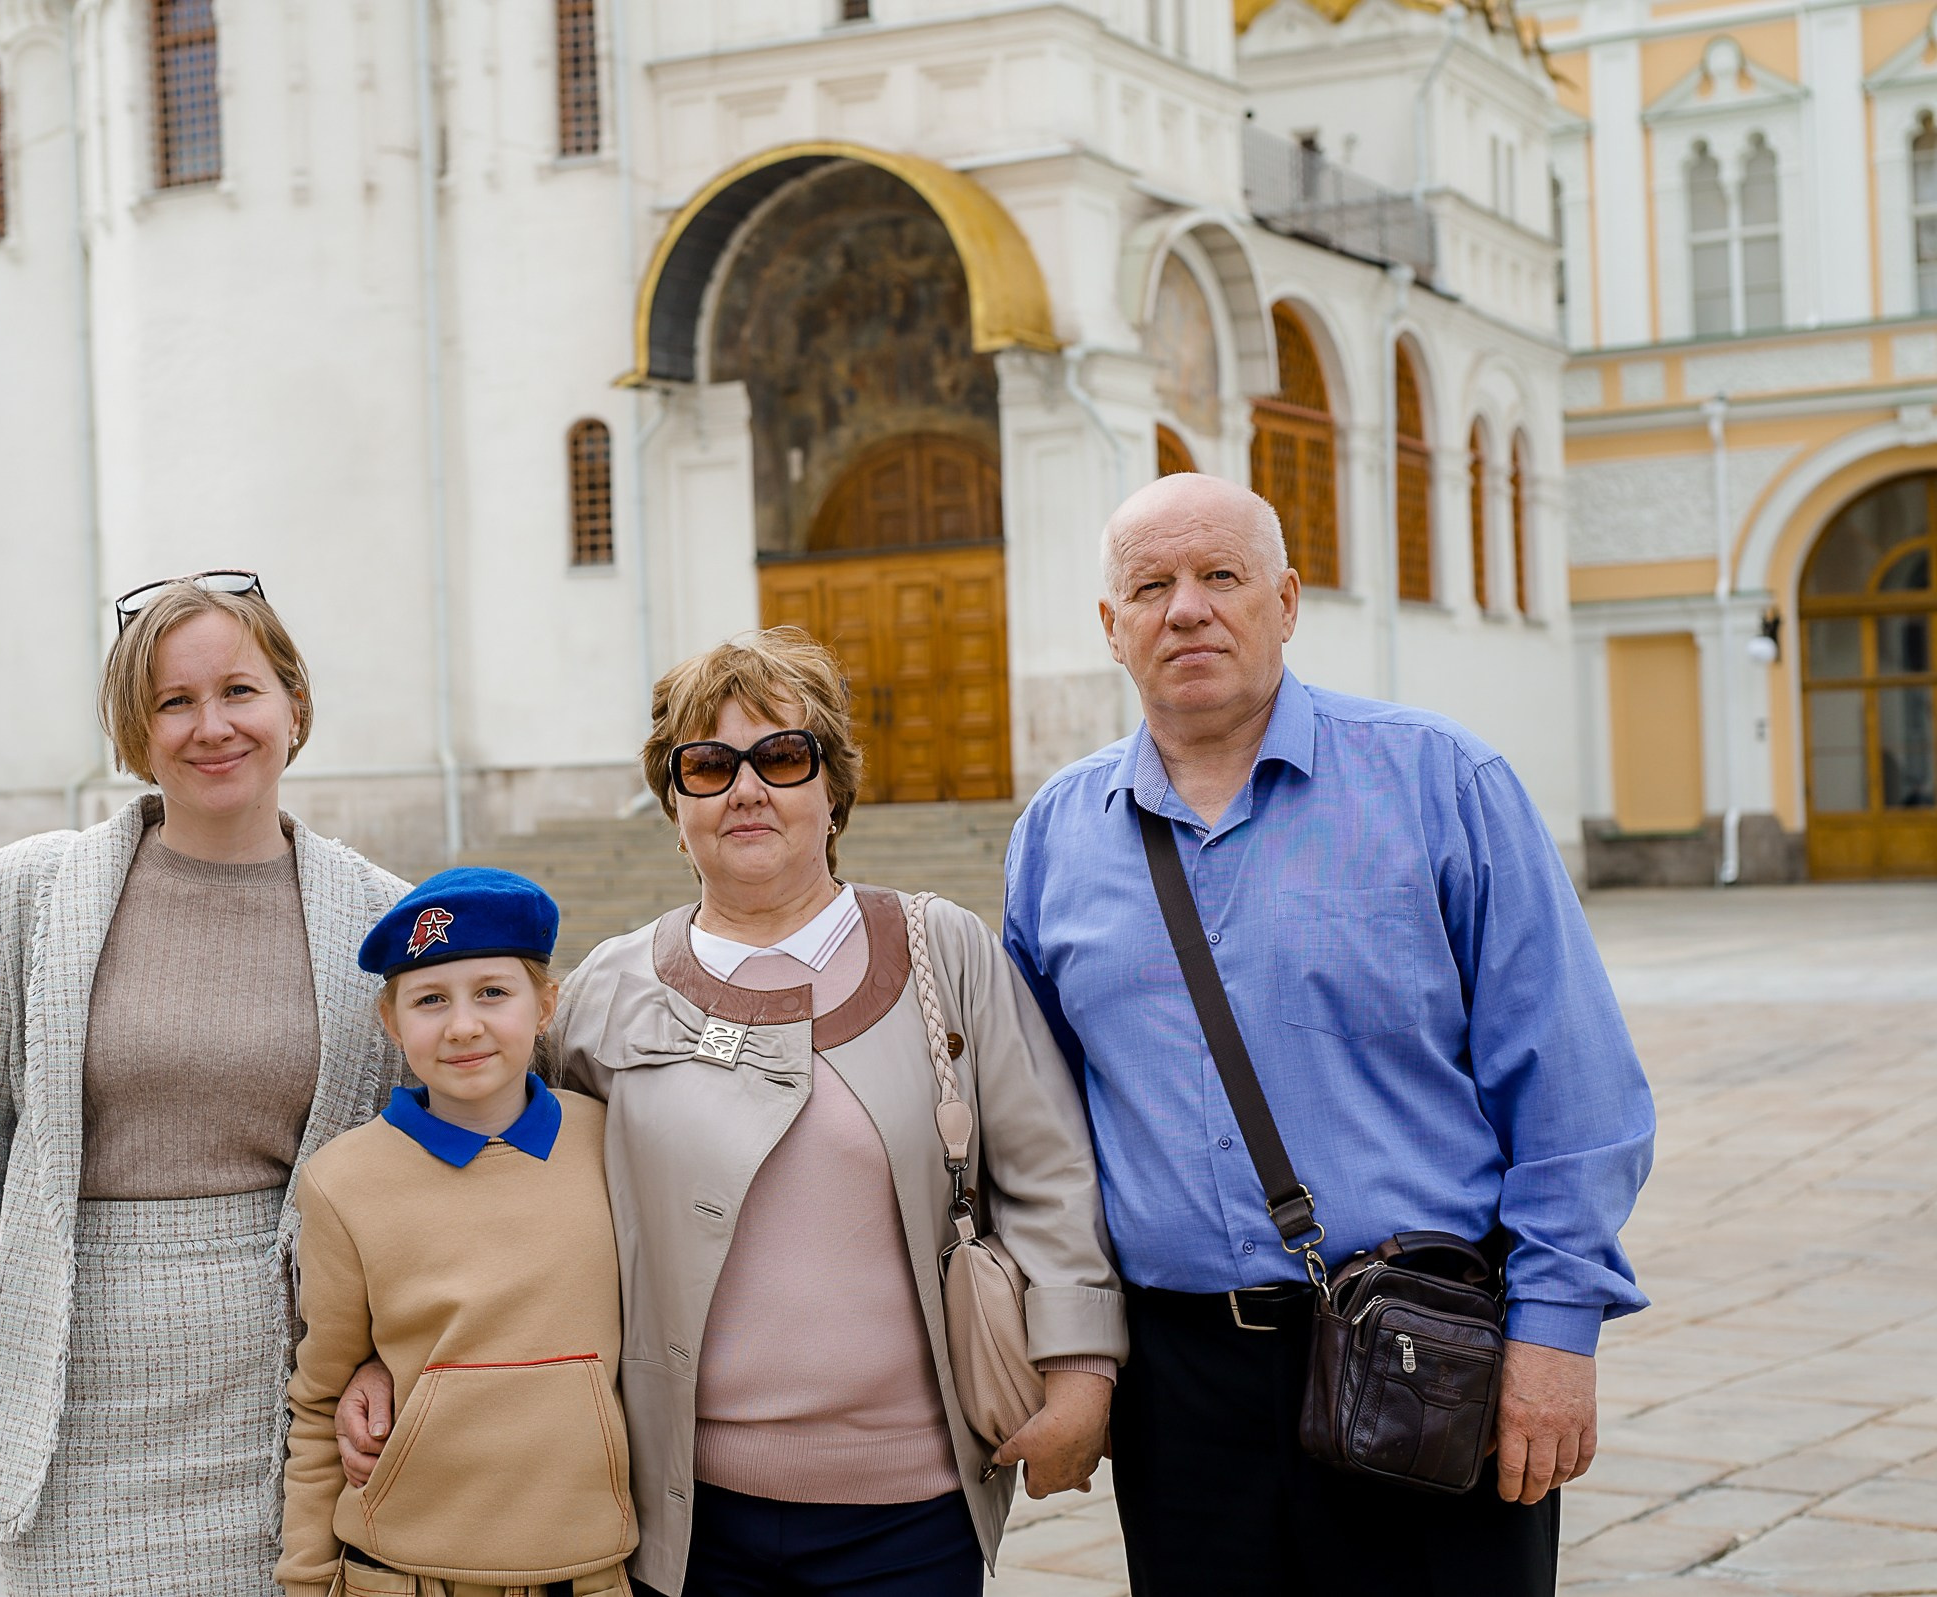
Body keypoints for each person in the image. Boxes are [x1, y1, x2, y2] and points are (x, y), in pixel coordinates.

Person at [339, 628, 1125, 1597]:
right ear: (676, 805)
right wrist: (389, 1350)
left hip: (909, 1509)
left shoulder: (942, 951)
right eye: (708, 765)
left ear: (832, 787)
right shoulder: (606, 990)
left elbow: (1048, 1173)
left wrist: (1082, 1371)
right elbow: (489, 1175)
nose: (746, 789)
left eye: (782, 757)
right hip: (681, 1508)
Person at [1003, 474, 1656, 1596]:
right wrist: (1074, 1349)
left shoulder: (1441, 782)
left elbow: (1575, 1086)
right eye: (1150, 586)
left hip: (1421, 1347)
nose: (1188, 609)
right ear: (1111, 629)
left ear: (1289, 600)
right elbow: (1041, 1131)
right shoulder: (1057, 837)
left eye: (1221, 576)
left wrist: (1555, 1333)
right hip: (1180, 1385)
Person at [0, 571, 409, 1596]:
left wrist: (386, 1360)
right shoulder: (30, 891)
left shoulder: (379, 917)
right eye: (173, 702)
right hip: (75, 1392)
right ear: (135, 732)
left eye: (240, 691)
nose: (211, 726)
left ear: (294, 707)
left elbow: (414, 1173)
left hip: (291, 1389)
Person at [279, 867, 636, 1597]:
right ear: (391, 1022)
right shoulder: (342, 1181)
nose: (463, 1024)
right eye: (431, 1000)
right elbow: (319, 1404)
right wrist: (308, 1581)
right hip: (405, 1574)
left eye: (493, 992)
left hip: (588, 1572)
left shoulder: (612, 1144)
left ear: (545, 1005)